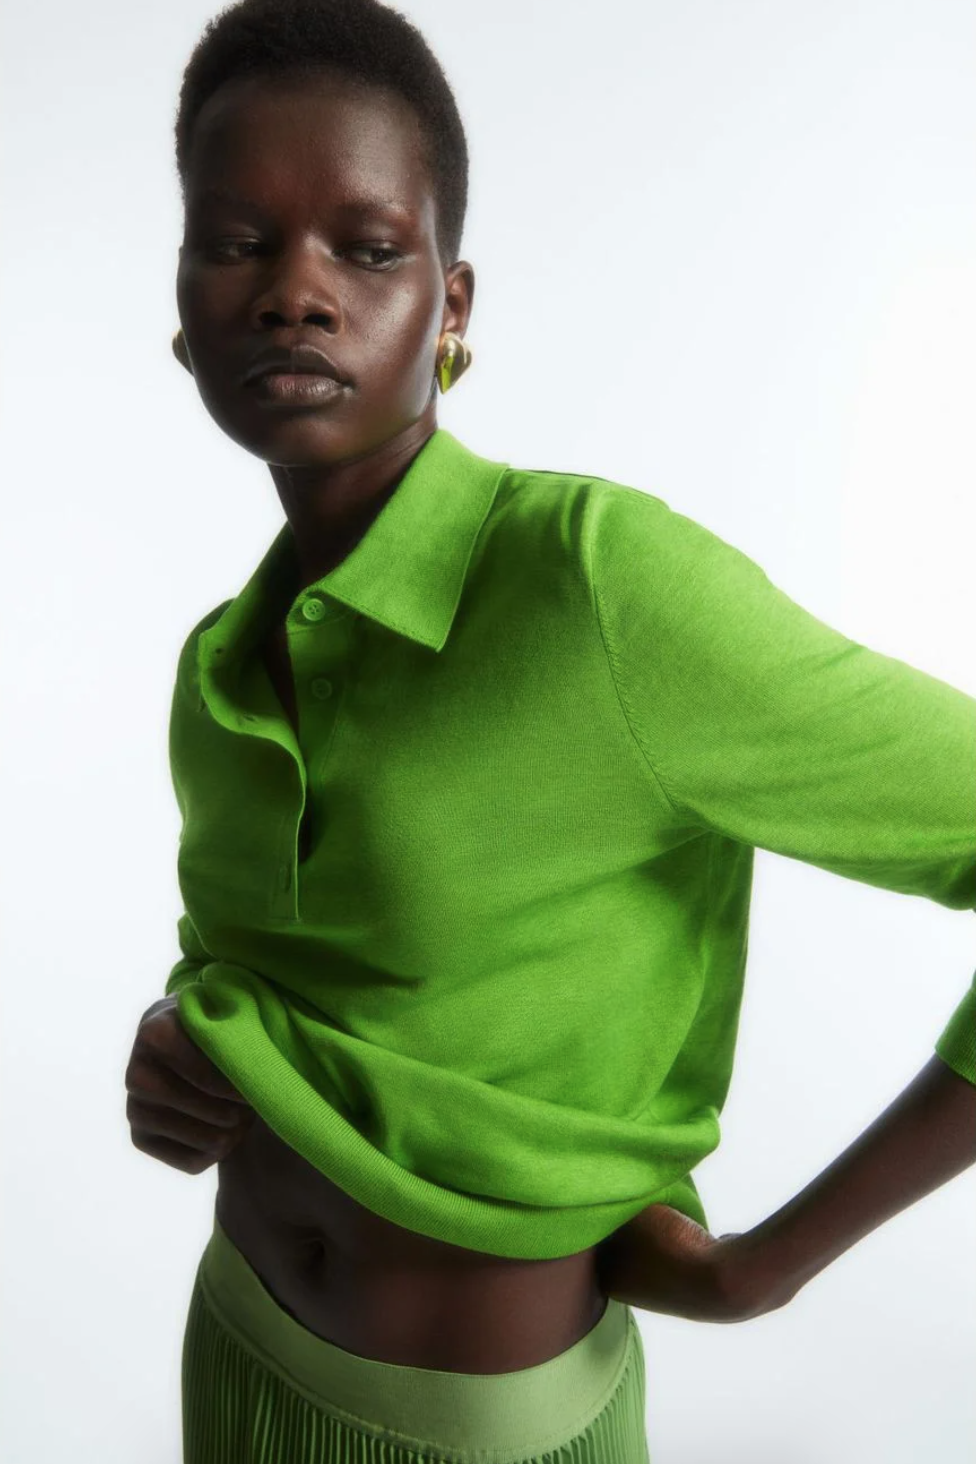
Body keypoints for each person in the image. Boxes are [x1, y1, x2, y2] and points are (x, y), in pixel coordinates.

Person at [124, 1, 976, 1460]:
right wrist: (186, 1038)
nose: (295, 294)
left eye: (366, 248)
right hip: (238, 1359)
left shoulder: (597, 585)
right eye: (238, 242)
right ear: (183, 301)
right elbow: (312, 983)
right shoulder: (224, 660)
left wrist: (766, 1269)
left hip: (497, 1429)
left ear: (451, 306)